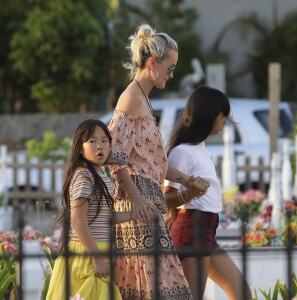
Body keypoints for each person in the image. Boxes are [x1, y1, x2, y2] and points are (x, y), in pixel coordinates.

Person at [107, 24, 209, 299]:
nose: (172, 75)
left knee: (156, 288)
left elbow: (154, 164)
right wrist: (138, 198)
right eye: (170, 68)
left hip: (148, 202)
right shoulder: (130, 98)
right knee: (159, 289)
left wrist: (186, 180)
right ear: (153, 62)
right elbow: (114, 158)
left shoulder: (142, 99)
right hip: (137, 203)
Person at [164, 86, 252, 300]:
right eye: (223, 116)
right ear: (210, 115)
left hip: (206, 232)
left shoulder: (198, 147)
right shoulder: (182, 152)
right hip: (193, 229)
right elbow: (165, 199)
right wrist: (189, 195)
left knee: (242, 293)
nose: (224, 122)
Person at [46, 119, 137, 300]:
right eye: (92, 141)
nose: (99, 146)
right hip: (86, 255)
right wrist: (96, 257)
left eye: (104, 140)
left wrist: (134, 214)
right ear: (80, 148)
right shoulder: (83, 175)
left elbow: (106, 218)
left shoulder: (103, 174)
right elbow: (78, 221)